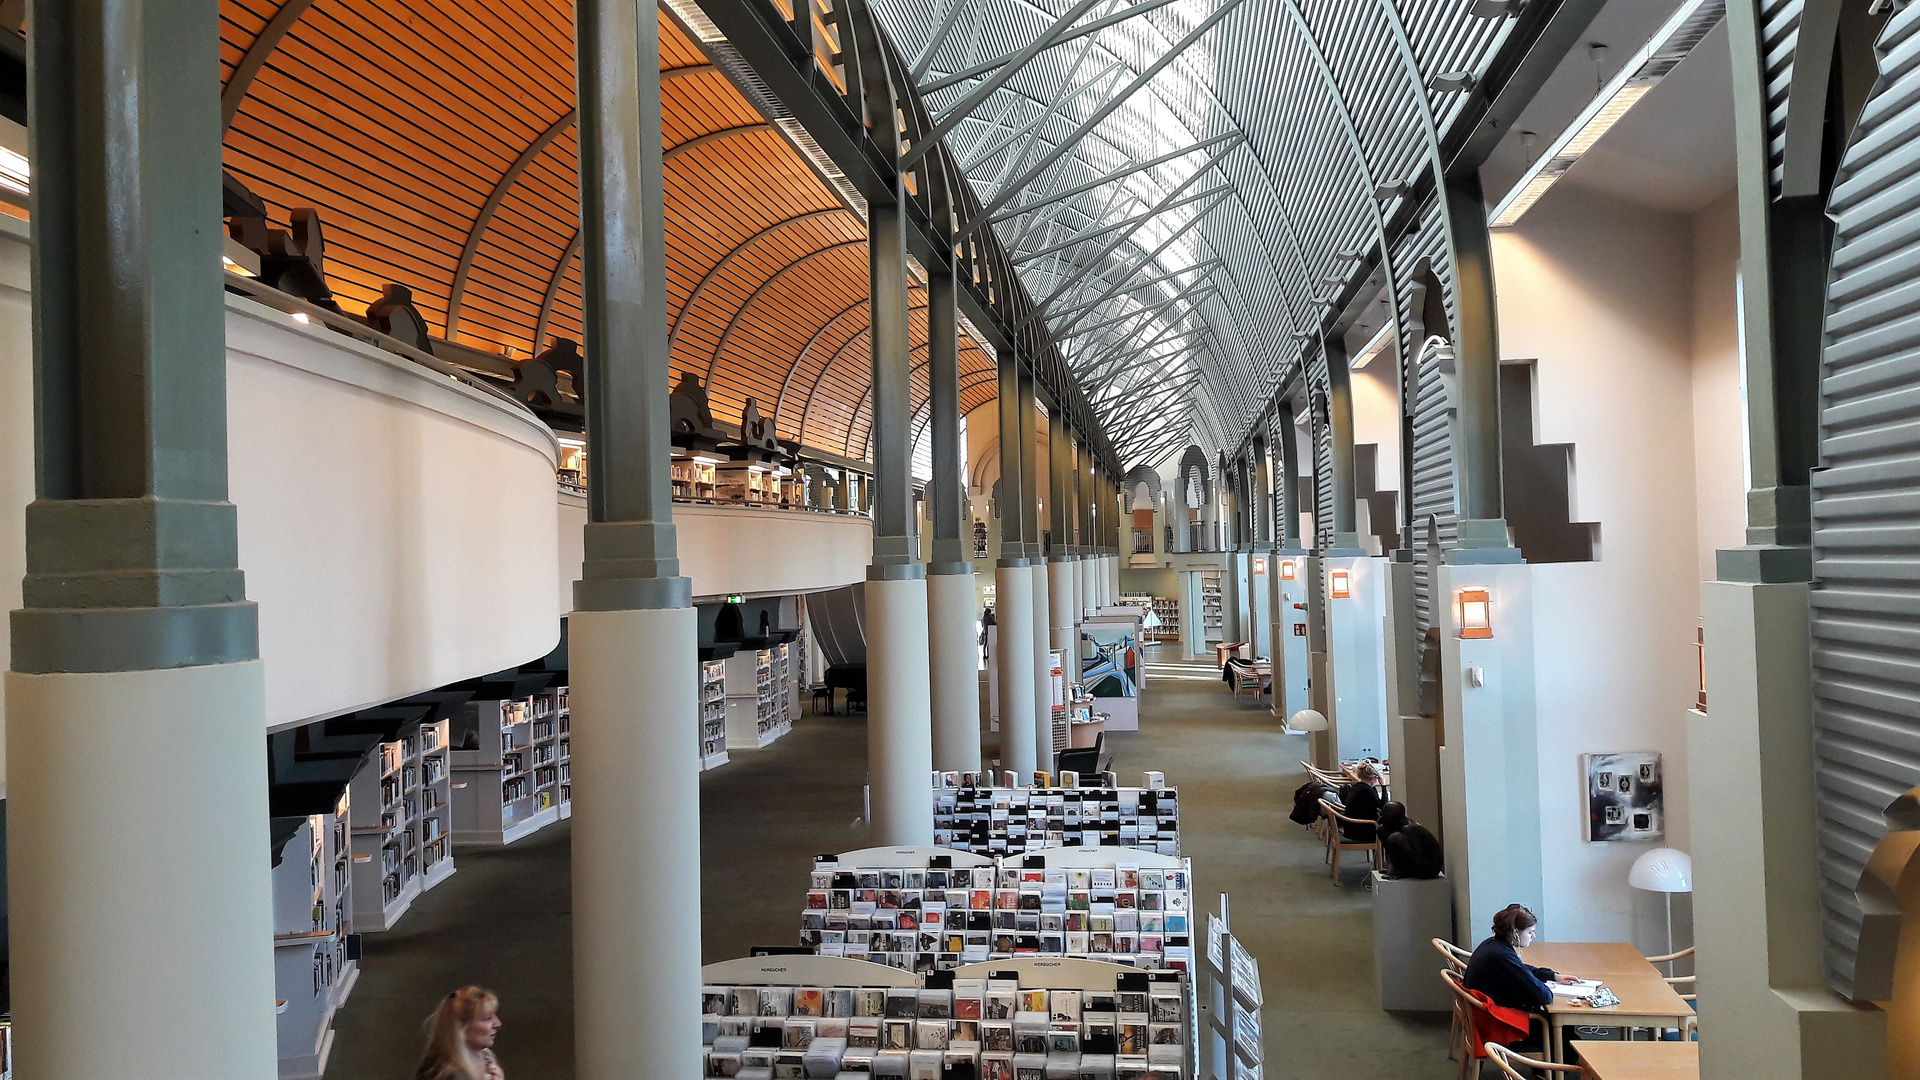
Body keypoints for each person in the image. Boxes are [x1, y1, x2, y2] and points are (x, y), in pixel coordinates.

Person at [1464, 904, 1559, 1011]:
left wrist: (1552, 975)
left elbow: (1520, 968)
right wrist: (1544, 985)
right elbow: (1544, 996)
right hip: (1492, 1017)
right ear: (1515, 933)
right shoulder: (1502, 956)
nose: (1534, 936)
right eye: (1530, 932)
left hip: (1484, 1008)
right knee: (1560, 1023)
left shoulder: (1493, 944)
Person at [413, 985, 504, 1080]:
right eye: (487, 1018)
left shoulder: (488, 1061)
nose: (498, 1024)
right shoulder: (441, 1074)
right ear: (461, 1027)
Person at [1377, 802, 1443, 879]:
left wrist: (1404, 847)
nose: (1381, 817)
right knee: (1382, 830)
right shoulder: (1394, 826)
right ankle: (1396, 869)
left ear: (1390, 817)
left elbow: (1418, 856)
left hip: (1429, 867)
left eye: (1384, 815)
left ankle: (1401, 871)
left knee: (1394, 838)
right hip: (1417, 862)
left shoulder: (1409, 829)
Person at [1337, 761, 1385, 841]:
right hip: (1360, 831)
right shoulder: (1367, 791)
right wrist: (1383, 786)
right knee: (1388, 830)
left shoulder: (1357, 787)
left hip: (1351, 828)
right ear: (1372, 778)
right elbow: (1383, 806)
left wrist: (1373, 785)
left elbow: (1375, 798)